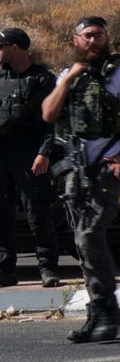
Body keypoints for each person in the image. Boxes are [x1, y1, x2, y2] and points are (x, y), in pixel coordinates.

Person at [42, 17, 120, 343]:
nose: (94, 40)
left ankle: (109, 309)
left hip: (109, 166)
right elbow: (48, 114)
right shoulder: (68, 75)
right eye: (88, 35)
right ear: (75, 39)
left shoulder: (118, 76)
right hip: (74, 171)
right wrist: (68, 80)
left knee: (90, 234)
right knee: (82, 242)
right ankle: (98, 312)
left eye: (99, 35)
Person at [0, 28, 60, 288]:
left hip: (29, 154)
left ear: (15, 48)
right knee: (2, 214)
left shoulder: (43, 79)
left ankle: (47, 268)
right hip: (2, 154)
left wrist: (44, 152)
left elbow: (52, 122)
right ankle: (5, 270)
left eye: (2, 46)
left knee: (37, 212)